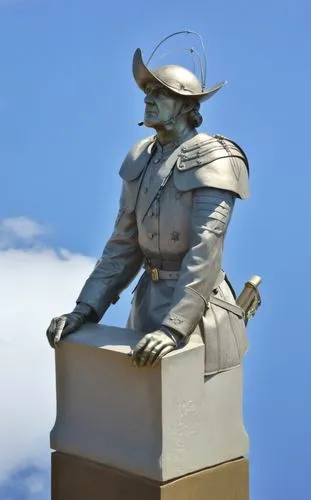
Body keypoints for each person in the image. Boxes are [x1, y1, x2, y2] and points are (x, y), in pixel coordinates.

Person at [46, 47, 250, 375]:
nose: (149, 99)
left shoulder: (216, 158)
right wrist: (84, 310)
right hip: (146, 310)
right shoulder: (140, 156)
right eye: (148, 91)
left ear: (186, 106)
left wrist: (174, 328)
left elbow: (205, 252)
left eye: (161, 93)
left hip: (200, 319)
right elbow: (123, 246)